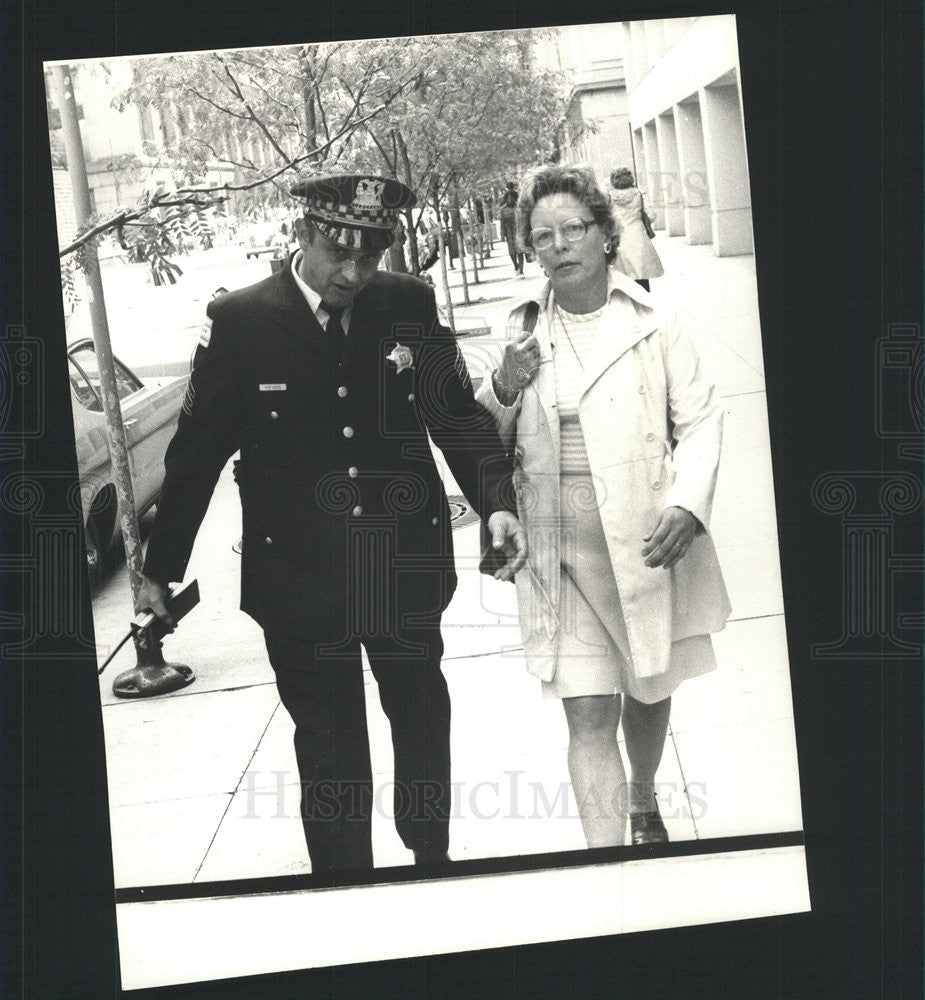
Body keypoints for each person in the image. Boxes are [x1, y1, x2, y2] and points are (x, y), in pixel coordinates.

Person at [135, 173, 527, 880]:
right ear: (303, 236)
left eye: (370, 258)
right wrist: (159, 570)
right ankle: (344, 882)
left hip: (400, 566)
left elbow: (455, 415)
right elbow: (194, 455)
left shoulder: (406, 301)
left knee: (420, 718)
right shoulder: (240, 320)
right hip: (298, 581)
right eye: (337, 256)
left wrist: (496, 498)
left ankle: (430, 856)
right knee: (328, 748)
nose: (352, 273)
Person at [475, 163, 730, 848]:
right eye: (542, 235)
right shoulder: (520, 327)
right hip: (558, 549)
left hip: (648, 536)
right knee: (586, 713)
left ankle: (642, 798)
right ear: (529, 247)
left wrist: (688, 503)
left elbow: (701, 421)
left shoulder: (656, 320)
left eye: (573, 230)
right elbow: (484, 439)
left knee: (648, 685)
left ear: (603, 235)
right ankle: (608, 864)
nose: (558, 245)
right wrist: (504, 384)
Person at [608, 166, 664, 292]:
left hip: (619, 238)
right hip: (638, 237)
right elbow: (651, 215)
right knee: (641, 274)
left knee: (623, 275)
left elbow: (606, 218)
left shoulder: (610, 197)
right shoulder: (639, 194)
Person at [499, 180, 525, 276]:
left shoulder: (519, 208)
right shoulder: (503, 210)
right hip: (509, 232)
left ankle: (521, 271)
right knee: (511, 253)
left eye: (512, 198)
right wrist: (502, 234)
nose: (510, 200)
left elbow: (524, 220)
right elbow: (502, 223)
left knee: (520, 251)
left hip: (519, 231)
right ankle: (516, 265)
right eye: (508, 198)